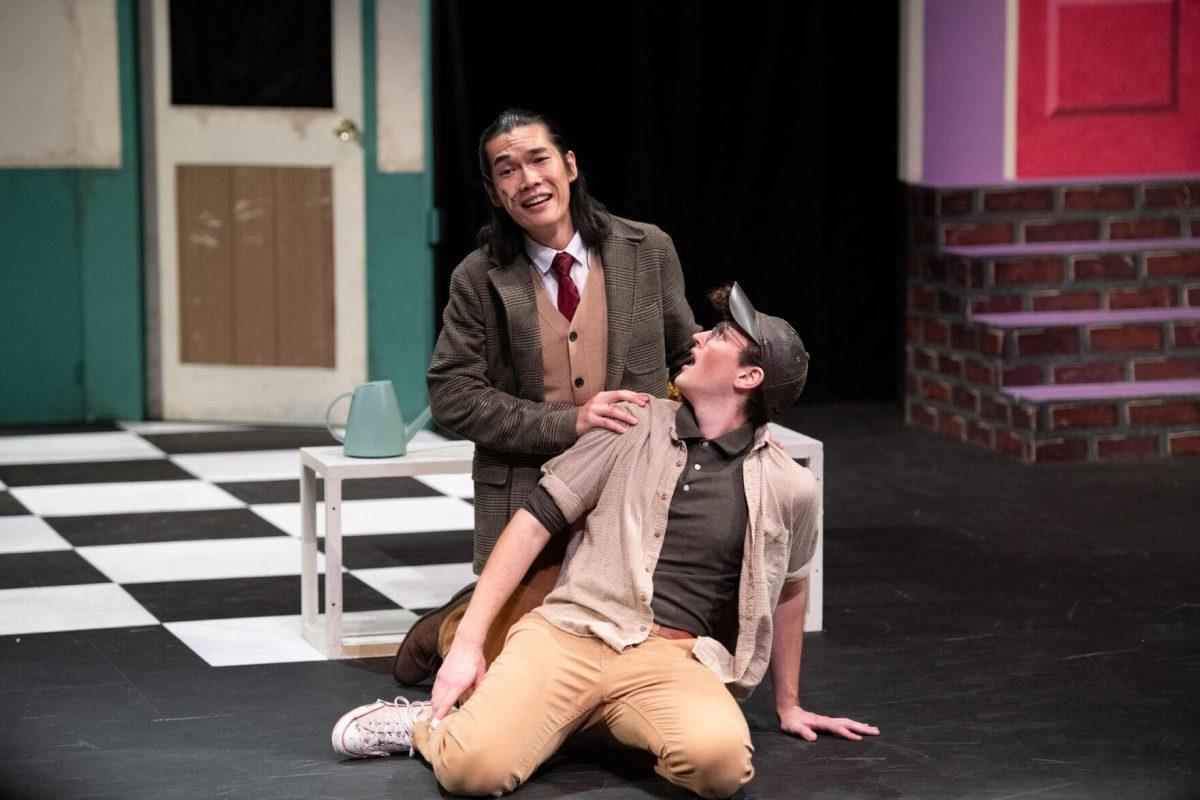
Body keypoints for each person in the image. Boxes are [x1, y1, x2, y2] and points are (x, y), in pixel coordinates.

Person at [336, 283, 879, 798]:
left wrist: (789, 705)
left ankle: (571, 725)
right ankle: (428, 727)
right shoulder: (635, 422)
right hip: (570, 634)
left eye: (717, 336)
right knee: (473, 772)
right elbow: (532, 524)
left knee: (722, 767)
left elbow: (790, 589)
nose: (695, 337)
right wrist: (471, 644)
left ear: (749, 377)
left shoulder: (790, 486)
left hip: (670, 660)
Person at [393, 108, 700, 683]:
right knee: (512, 669)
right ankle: (450, 625)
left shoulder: (648, 249)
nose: (528, 179)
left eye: (539, 160)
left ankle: (469, 611)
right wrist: (569, 422)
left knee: (621, 649)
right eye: (507, 171)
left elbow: (685, 357)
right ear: (494, 193)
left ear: (570, 165)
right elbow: (451, 395)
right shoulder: (479, 278)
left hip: (625, 491)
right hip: (523, 494)